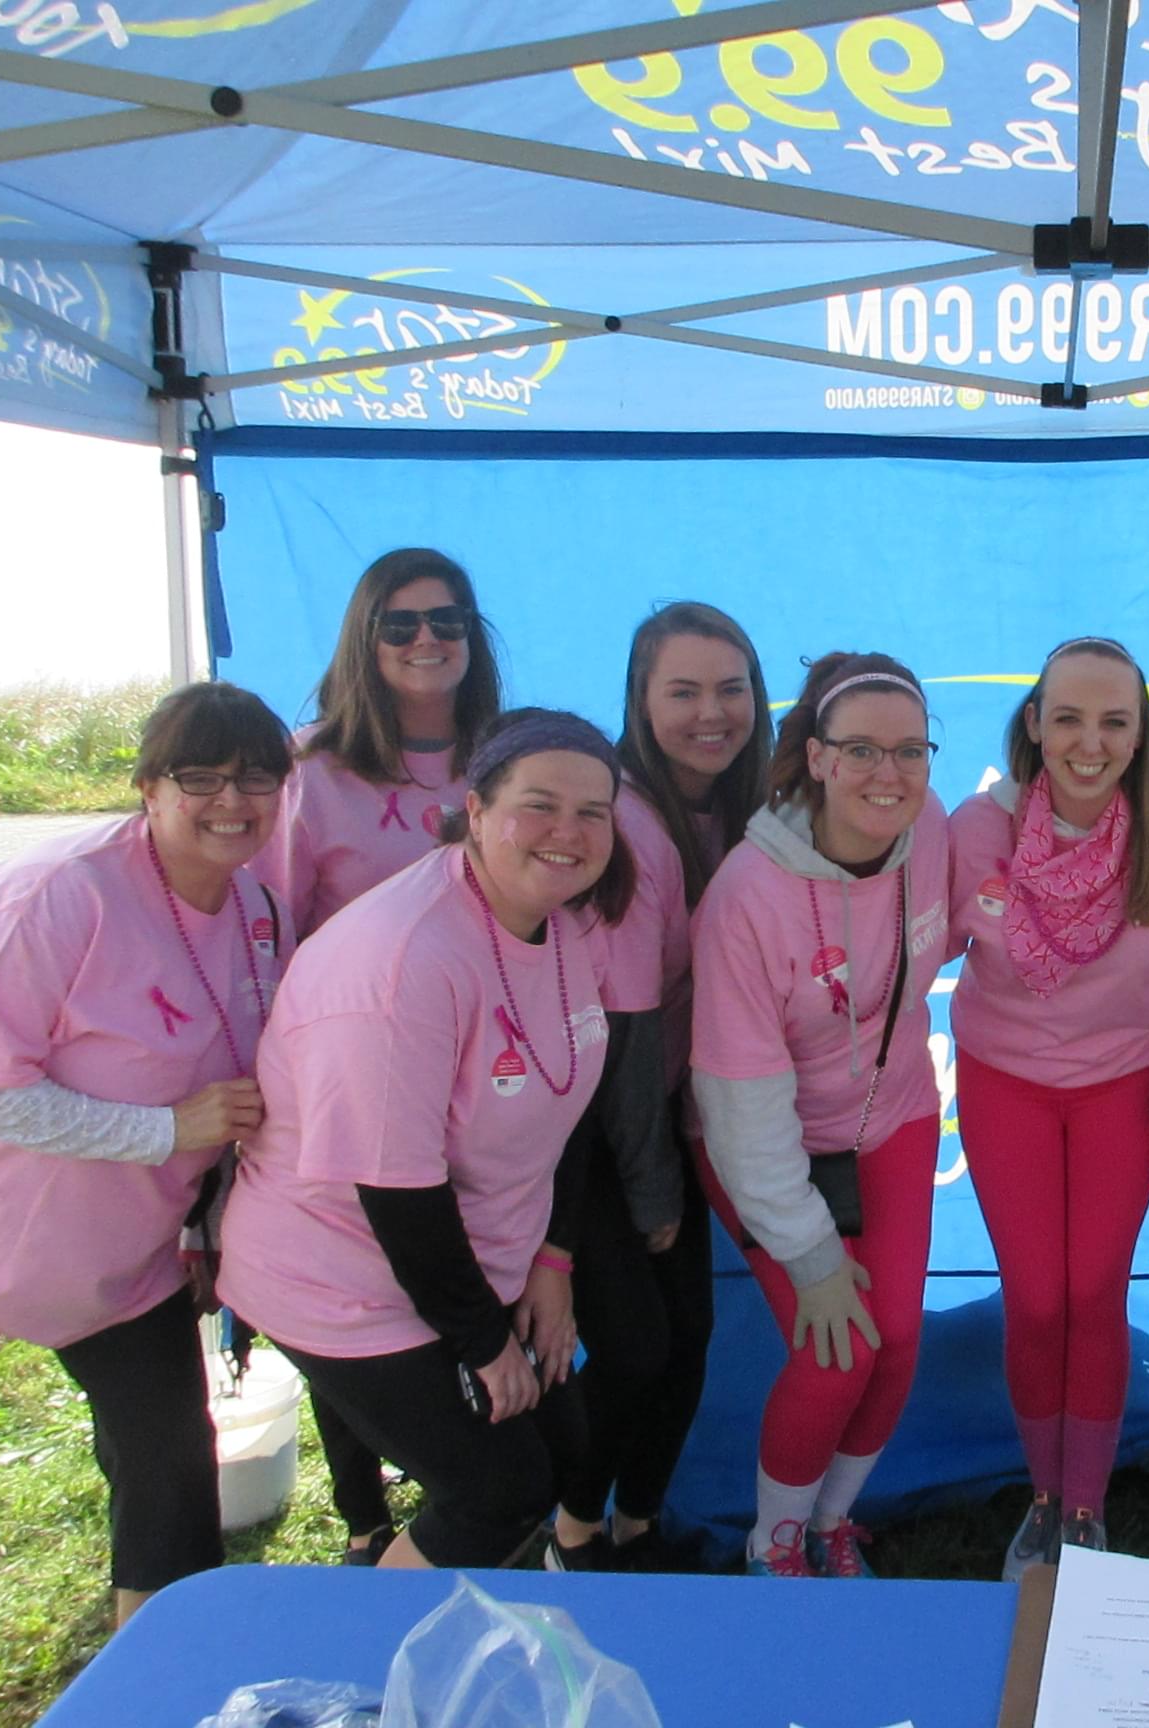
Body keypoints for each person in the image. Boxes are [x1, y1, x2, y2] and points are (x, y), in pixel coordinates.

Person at [0, 681, 294, 1635]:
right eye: (201, 777)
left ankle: (168, 1671)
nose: (232, 800)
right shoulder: (49, 895)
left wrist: (205, 1221)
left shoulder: (262, 912)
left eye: (258, 777)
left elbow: (240, 1088)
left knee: (172, 1475)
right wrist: (166, 1130)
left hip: (114, 1268)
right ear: (149, 786)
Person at [217, 710, 630, 1571]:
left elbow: (568, 1102)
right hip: (345, 1274)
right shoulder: (404, 958)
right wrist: (484, 1343)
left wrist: (553, 1262)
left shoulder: (560, 921)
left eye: (593, 812)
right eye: (540, 805)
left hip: (475, 1256)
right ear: (475, 810)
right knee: (498, 1490)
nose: (568, 831)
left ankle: (468, 1613)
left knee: (569, 1449)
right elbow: (397, 1189)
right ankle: (372, 1645)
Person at [946, 636, 1149, 1578]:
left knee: (1093, 1294)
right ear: (1033, 724)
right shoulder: (978, 830)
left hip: (1123, 1083)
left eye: (1113, 721)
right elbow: (917, 941)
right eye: (1067, 718)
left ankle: (1087, 1508)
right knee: (1035, 1297)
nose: (1089, 743)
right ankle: (1043, 1497)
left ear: (1141, 733)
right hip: (1004, 1080)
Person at [689, 652, 951, 1580]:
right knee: (838, 1350)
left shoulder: (934, 829)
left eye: (911, 750)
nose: (890, 773)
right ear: (817, 758)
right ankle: (775, 1542)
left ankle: (832, 1521)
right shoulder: (747, 898)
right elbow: (742, 1111)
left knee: (900, 1342)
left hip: (892, 1119)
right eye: (862, 750)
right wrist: (811, 1257)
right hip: (768, 1146)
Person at [266, 545, 504, 1562]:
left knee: (447, 1269)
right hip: (350, 1075)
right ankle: (365, 1518)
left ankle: (447, 1475)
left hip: (487, 1071)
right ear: (363, 641)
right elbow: (270, 927)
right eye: (399, 624)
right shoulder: (311, 770)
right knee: (361, 1287)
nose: (425, 640)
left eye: (447, 620)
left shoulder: (501, 755)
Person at [545, 602, 772, 1572]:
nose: (710, 713)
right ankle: (569, 1531)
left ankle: (638, 1524)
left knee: (689, 1338)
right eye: (683, 692)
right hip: (588, 1126)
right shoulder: (634, 823)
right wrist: (650, 1194)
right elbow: (631, 1036)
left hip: (667, 1115)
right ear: (640, 701)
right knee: (638, 1346)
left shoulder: (743, 807)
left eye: (731, 689)